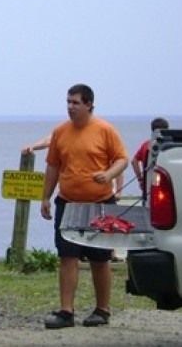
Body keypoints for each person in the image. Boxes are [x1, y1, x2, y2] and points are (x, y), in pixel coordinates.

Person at [40, 84, 128, 329]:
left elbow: (122, 159)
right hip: (67, 203)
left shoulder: (105, 129)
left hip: (99, 203)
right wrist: (45, 197)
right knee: (67, 256)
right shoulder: (60, 132)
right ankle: (66, 312)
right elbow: (53, 166)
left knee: (100, 259)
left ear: (88, 104)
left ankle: (102, 310)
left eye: (75, 102)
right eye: (68, 102)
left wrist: (108, 174)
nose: (70, 107)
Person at [131, 117, 169, 197]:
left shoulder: (146, 145)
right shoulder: (169, 146)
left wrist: (140, 179)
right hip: (164, 185)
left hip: (147, 184)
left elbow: (134, 161)